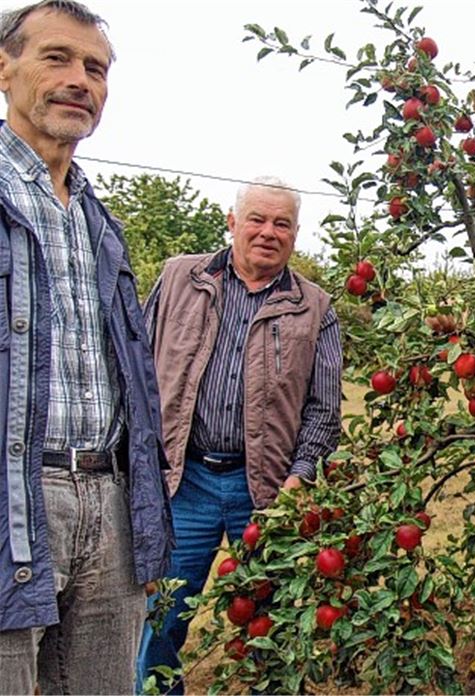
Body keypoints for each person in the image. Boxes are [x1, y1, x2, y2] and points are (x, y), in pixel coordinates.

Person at [0, 2, 173, 693]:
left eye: (95, 69)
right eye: (57, 58)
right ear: (4, 68)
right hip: (14, 496)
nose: (80, 80)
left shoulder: (100, 223)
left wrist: (142, 509)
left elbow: (133, 380)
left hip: (109, 497)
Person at [136, 177, 343, 693]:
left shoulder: (314, 307)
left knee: (271, 625)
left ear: (295, 234)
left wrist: (299, 479)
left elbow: (324, 410)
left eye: (282, 224)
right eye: (257, 219)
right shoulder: (180, 279)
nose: (268, 232)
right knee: (160, 619)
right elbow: (134, 369)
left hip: (266, 491)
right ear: (232, 222)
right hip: (182, 482)